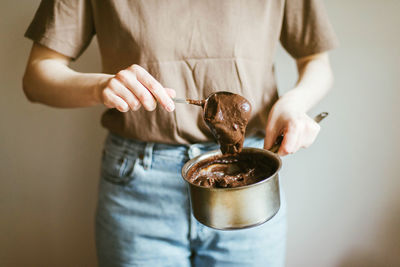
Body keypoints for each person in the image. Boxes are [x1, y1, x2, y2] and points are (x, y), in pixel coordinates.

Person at [22, 1, 338, 266]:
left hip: (250, 183)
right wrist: (101, 87)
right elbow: (37, 76)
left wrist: (293, 104)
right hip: (139, 187)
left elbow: (317, 62)